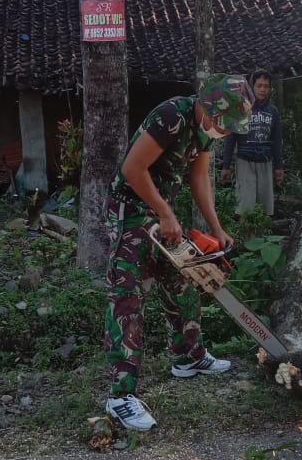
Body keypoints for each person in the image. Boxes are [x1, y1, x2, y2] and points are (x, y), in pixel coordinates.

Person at [104, 73, 255, 431]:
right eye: (224, 123)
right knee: (128, 298)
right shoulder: (171, 115)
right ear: (208, 107)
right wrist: (166, 212)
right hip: (130, 210)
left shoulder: (205, 129)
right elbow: (132, 168)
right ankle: (120, 396)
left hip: (162, 213)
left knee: (184, 280)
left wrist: (216, 228)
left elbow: (199, 178)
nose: (226, 131)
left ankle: (188, 356)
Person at [219, 70, 284, 215]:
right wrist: (226, 166)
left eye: (266, 86)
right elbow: (231, 139)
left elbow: (277, 140)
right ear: (252, 87)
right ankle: (246, 236)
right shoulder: (241, 108)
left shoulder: (273, 111)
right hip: (244, 161)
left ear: (270, 88)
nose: (262, 89)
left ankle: (261, 236)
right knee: (245, 206)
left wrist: (279, 166)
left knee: (265, 207)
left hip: (266, 162)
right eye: (259, 85)